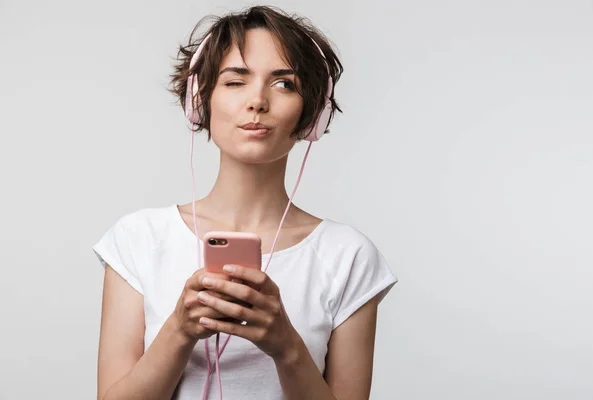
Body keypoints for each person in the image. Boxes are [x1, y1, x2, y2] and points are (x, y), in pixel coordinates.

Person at [92, 5, 397, 400]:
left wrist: (285, 344)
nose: (257, 101)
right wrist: (180, 330)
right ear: (200, 100)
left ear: (312, 114)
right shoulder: (137, 238)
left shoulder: (348, 255)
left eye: (284, 84)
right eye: (235, 81)